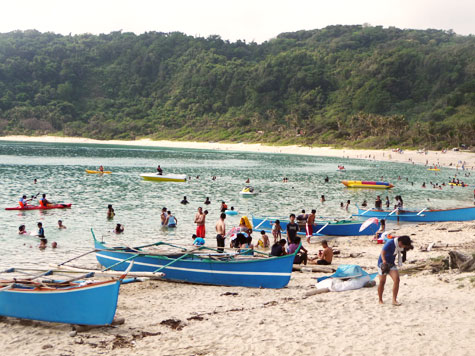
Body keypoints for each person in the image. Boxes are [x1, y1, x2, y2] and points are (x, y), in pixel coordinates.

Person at [378, 235, 414, 306]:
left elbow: (405, 250)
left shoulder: (400, 246)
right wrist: (384, 261)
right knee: (382, 282)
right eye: (403, 245)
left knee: (397, 279)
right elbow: (382, 252)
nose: (403, 247)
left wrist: (404, 257)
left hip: (391, 263)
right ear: (400, 242)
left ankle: (394, 300)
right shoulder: (390, 243)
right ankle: (380, 299)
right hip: (382, 263)